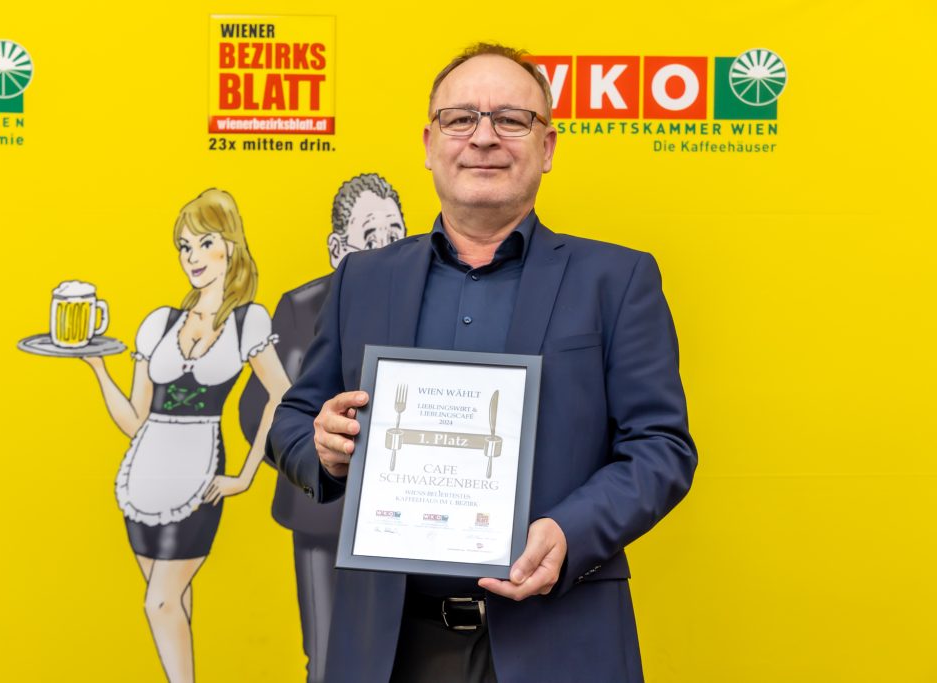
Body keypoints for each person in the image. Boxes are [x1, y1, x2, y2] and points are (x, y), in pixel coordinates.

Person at [268, 43, 697, 683]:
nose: (484, 137)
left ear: (547, 147)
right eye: (461, 118)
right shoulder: (364, 278)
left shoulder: (617, 280)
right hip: (389, 647)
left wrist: (570, 531)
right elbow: (293, 420)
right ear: (429, 143)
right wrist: (322, 448)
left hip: (558, 641)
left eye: (512, 120)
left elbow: (661, 447)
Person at [82, 188, 290, 683]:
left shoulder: (247, 321)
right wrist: (98, 368)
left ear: (231, 246)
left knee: (159, 602)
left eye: (204, 243)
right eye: (184, 246)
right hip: (142, 479)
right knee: (173, 604)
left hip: (199, 476)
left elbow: (281, 394)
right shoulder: (159, 322)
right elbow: (137, 420)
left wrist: (245, 475)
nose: (192, 257)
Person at [239, 172, 406, 683]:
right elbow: (265, 409)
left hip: (408, 516)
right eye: (370, 235)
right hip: (323, 515)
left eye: (395, 232)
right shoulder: (302, 307)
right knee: (329, 655)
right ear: (338, 249)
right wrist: (317, 451)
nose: (385, 246)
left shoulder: (430, 302)